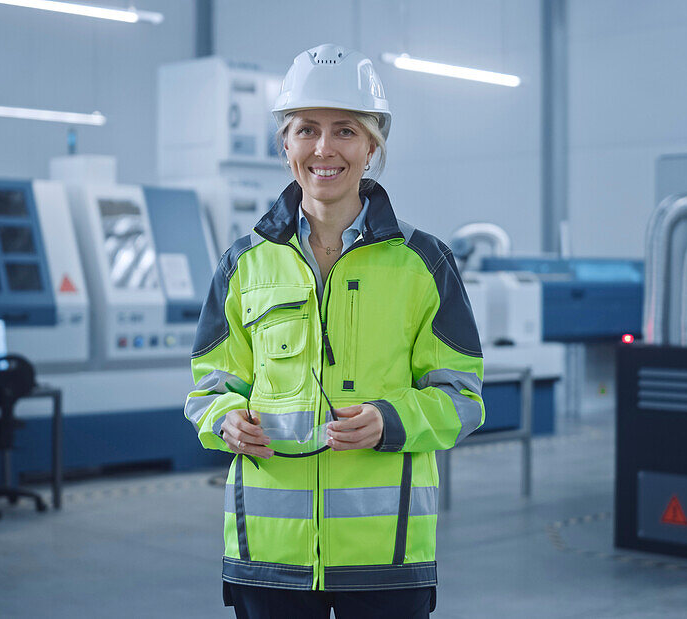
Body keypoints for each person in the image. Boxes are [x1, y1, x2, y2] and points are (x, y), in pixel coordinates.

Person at [186, 43, 485, 619]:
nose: (324, 149)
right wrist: (222, 418)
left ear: (372, 146)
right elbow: (207, 386)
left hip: (386, 561)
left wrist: (392, 421)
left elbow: (463, 397)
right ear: (285, 145)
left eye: (345, 130)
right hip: (268, 559)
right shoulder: (243, 265)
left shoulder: (424, 263)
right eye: (306, 130)